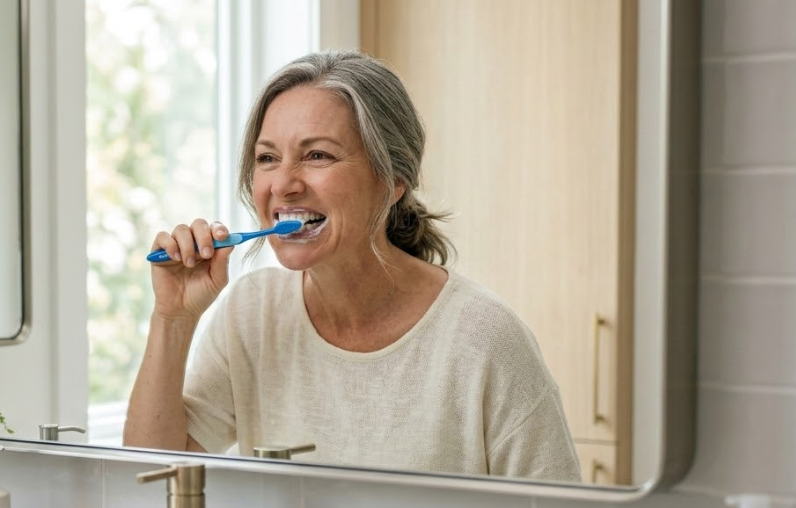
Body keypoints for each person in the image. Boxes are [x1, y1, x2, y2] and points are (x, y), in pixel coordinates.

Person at [123, 51, 580, 482]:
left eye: (317, 155)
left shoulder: (484, 339)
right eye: (267, 158)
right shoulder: (252, 312)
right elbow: (154, 477)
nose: (283, 183)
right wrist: (173, 319)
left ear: (393, 181)